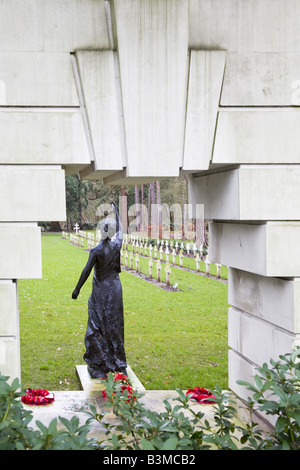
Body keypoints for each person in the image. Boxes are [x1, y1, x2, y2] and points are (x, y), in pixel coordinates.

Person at [72, 201, 127, 378]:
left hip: (102, 291)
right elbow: (120, 230)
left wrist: (77, 290)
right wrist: (116, 211)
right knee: (114, 324)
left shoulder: (96, 251)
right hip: (115, 289)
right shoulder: (116, 245)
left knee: (98, 324)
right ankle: (118, 364)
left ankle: (100, 363)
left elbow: (86, 271)